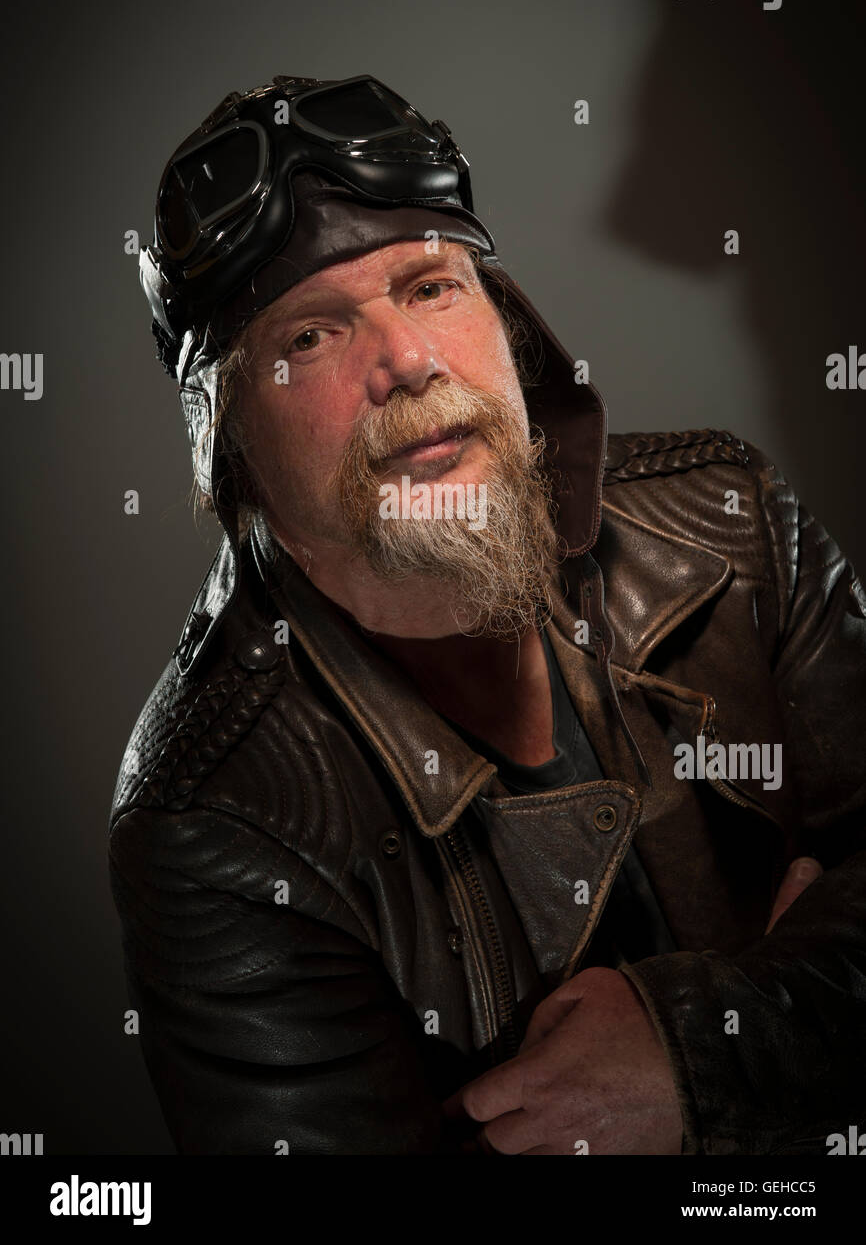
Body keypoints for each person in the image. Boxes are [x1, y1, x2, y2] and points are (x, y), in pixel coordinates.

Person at [109, 73, 865, 1155]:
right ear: (237, 449)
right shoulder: (218, 820)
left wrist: (698, 1053)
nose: (406, 361)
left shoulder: (727, 523)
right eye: (312, 337)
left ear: (506, 327)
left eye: (428, 286)